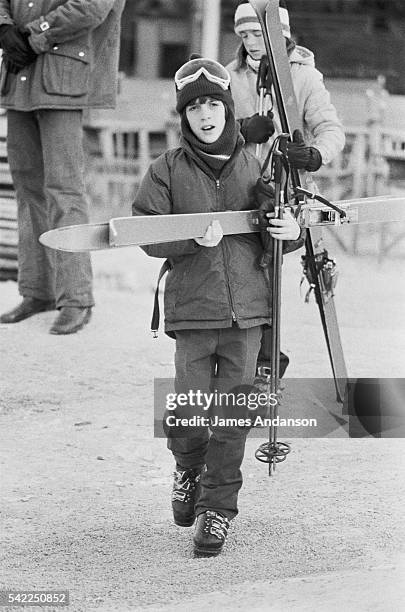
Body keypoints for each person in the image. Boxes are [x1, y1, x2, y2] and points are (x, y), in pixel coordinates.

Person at [132, 57, 303, 557]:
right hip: (192, 311)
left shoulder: (258, 164)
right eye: (194, 107)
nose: (204, 115)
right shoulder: (165, 169)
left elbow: (282, 228)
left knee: (233, 417)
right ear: (183, 115)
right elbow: (146, 234)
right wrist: (190, 238)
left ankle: (216, 511)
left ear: (228, 109)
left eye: (213, 104)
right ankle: (188, 470)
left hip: (249, 313)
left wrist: (290, 232)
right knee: (189, 412)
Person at [226, 0, 346, 382]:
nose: (250, 42)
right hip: (238, 187)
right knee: (240, 276)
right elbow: (208, 128)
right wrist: (243, 129)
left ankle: (267, 361)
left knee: (272, 271)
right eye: (244, 35)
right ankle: (260, 360)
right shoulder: (230, 75)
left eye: (259, 34)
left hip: (286, 189)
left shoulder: (306, 77)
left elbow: (332, 130)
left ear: (280, 35)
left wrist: (314, 154)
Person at [0, 0, 125, 334]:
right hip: (20, 77)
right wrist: (3, 27)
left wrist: (30, 35)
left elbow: (91, 8)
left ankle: (76, 298)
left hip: (64, 79)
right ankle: (38, 291)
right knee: (27, 191)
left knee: (64, 191)